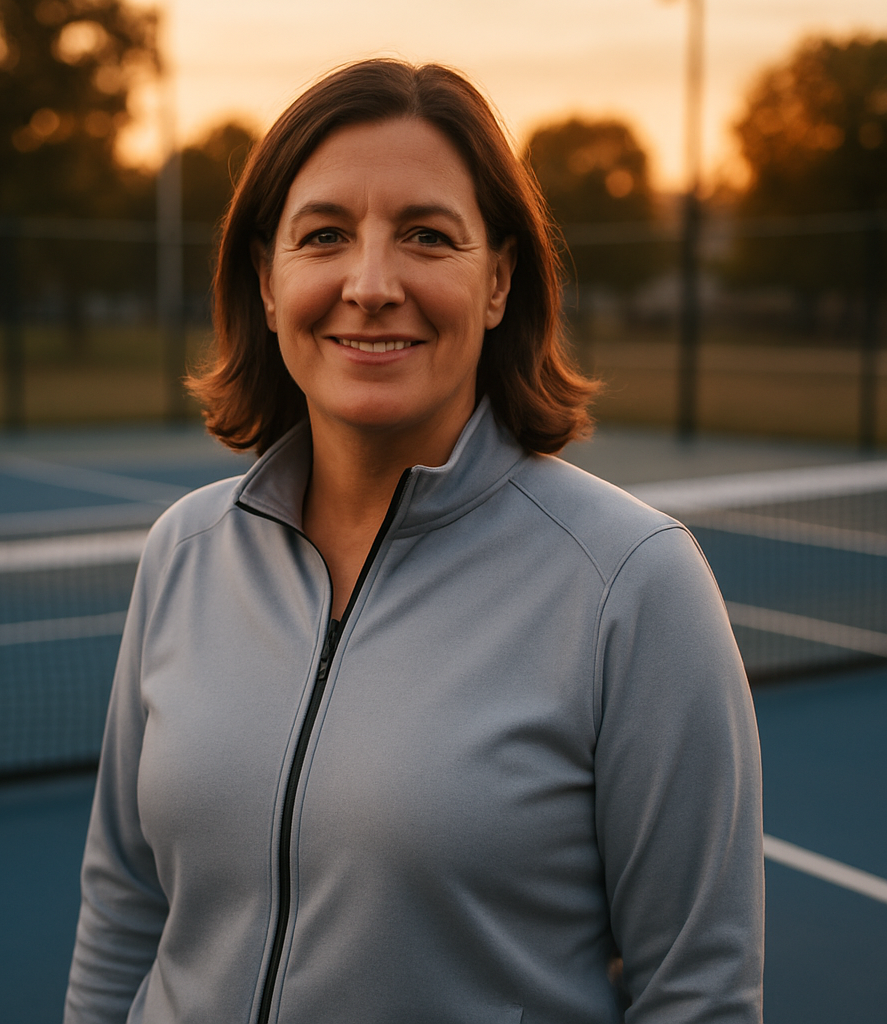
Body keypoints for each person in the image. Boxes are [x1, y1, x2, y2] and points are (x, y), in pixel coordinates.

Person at [65, 59, 763, 1024]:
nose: (371, 284)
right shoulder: (184, 551)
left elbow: (699, 994)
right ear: (268, 282)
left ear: (497, 282)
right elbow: (124, 909)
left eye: (427, 237)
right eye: (325, 237)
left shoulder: (632, 586)